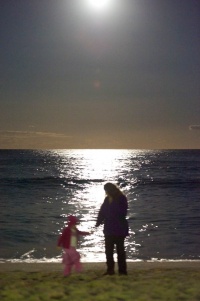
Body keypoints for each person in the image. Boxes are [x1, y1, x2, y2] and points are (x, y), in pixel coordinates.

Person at [95, 182, 129, 275]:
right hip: (109, 229)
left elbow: (123, 213)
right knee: (108, 251)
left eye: (106, 190)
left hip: (119, 228)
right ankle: (110, 270)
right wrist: (98, 223)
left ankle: (122, 271)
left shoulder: (121, 198)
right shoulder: (107, 199)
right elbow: (102, 212)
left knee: (120, 251)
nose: (106, 192)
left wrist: (110, 216)